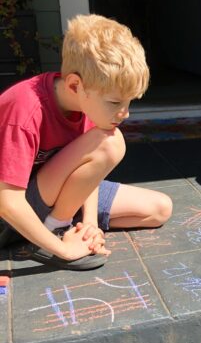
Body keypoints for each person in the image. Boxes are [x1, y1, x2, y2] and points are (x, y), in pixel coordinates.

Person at [0, 14, 172, 269]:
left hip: (52, 195)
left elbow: (89, 170)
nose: (125, 113)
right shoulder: (25, 109)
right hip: (11, 212)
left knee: (159, 209)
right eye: (115, 102)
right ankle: (55, 232)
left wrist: (89, 223)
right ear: (74, 85)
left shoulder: (87, 101)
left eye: (129, 102)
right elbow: (7, 201)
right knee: (111, 143)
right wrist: (64, 250)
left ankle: (62, 224)